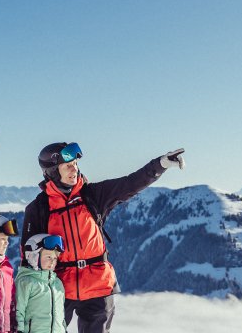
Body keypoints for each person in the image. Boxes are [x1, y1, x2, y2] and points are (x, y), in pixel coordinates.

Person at [22, 142, 185, 333]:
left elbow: (130, 183)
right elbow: (28, 256)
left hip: (98, 285)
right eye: (68, 166)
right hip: (58, 287)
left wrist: (160, 164)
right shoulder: (39, 208)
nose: (74, 169)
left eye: (75, 163)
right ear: (52, 172)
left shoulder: (92, 195)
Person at [15, 234, 67, 333]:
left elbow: (61, 314)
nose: (52, 262)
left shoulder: (57, 283)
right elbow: (18, 311)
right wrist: (19, 330)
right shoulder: (26, 282)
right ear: (34, 256)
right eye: (48, 257)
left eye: (55, 258)